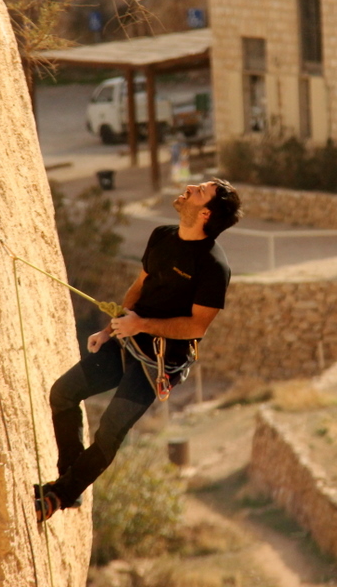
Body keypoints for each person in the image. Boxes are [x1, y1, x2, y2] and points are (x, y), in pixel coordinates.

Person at [38, 177, 243, 521]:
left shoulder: (213, 266)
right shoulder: (162, 235)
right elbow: (139, 286)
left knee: (110, 429)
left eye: (200, 191)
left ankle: (58, 495)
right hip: (126, 340)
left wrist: (141, 325)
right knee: (63, 394)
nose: (190, 187)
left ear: (206, 213)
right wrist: (110, 329)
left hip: (158, 363)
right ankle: (68, 484)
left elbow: (196, 327)